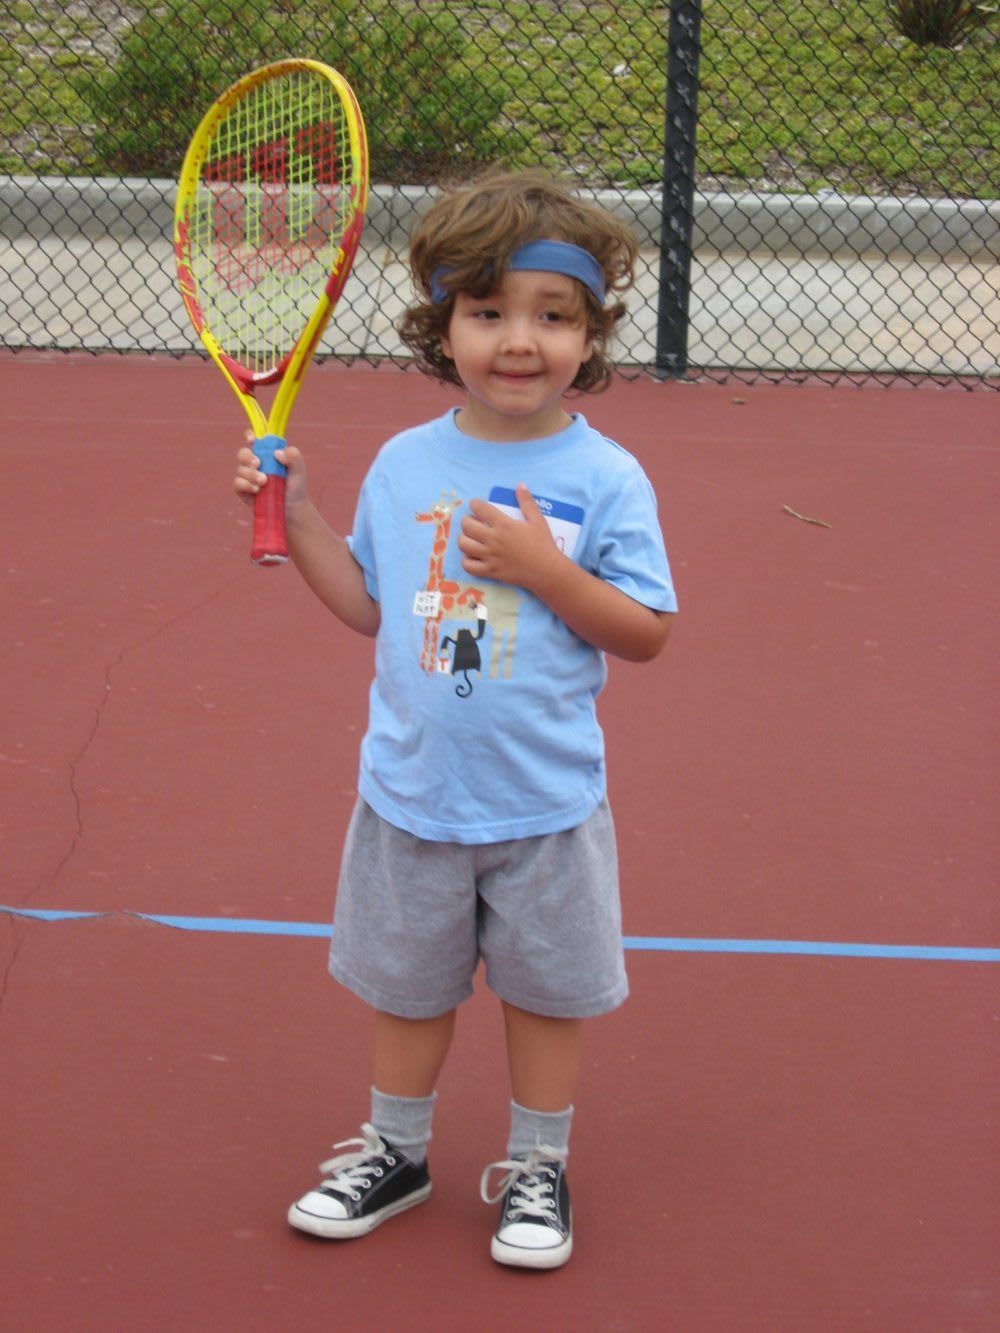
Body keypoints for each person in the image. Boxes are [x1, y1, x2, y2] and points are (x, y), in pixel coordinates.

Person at [233, 169, 678, 1270]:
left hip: (544, 805)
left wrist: (545, 570)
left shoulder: (606, 475)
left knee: (544, 997)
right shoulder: (405, 463)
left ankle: (537, 1167)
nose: (518, 339)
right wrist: (298, 513)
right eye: (487, 312)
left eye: (551, 314)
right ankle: (396, 1149)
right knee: (407, 989)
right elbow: (370, 608)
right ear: (442, 326)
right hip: (413, 794)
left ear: (591, 333)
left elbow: (645, 631)